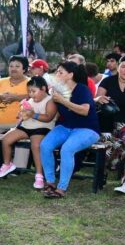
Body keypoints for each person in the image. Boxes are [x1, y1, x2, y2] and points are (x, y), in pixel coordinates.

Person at [40, 61, 100, 198]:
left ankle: (61, 188)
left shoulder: (82, 89)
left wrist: (62, 100)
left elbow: (85, 111)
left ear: (70, 75)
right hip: (66, 126)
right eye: (57, 72)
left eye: (60, 72)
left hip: (88, 129)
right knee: (45, 145)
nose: (57, 74)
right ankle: (50, 182)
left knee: (67, 149)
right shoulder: (57, 90)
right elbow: (56, 113)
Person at [0, 76, 57, 188]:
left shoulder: (50, 101)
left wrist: (33, 114)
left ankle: (39, 175)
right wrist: (21, 115)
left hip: (42, 127)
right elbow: (24, 115)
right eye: (29, 91)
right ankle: (7, 164)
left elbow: (48, 117)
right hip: (26, 126)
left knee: (36, 145)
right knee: (6, 139)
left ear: (43, 88)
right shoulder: (30, 100)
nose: (31, 94)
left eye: (34, 91)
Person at [94, 55, 125, 194]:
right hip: (108, 123)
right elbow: (99, 100)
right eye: (123, 66)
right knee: (112, 149)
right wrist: (99, 99)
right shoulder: (108, 81)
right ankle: (102, 174)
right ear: (118, 66)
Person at [0, 55, 31, 132]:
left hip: (18, 126)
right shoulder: (1, 81)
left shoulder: (31, 82)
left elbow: (36, 96)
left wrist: (16, 98)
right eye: (11, 66)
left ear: (24, 69)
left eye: (17, 66)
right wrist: (0, 97)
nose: (13, 69)